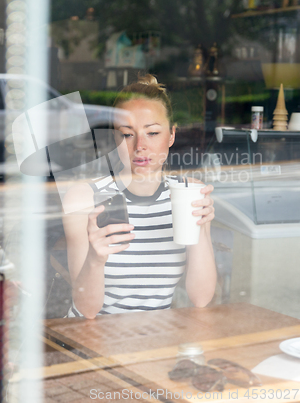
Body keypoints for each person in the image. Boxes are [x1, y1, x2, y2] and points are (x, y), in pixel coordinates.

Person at [63, 74, 216, 319]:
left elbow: (201, 298)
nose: (140, 146)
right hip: (91, 339)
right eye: (127, 134)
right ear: (115, 138)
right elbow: (86, 309)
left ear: (172, 135)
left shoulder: (190, 193)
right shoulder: (84, 198)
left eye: (153, 133)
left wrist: (201, 229)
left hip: (152, 340)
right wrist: (96, 258)